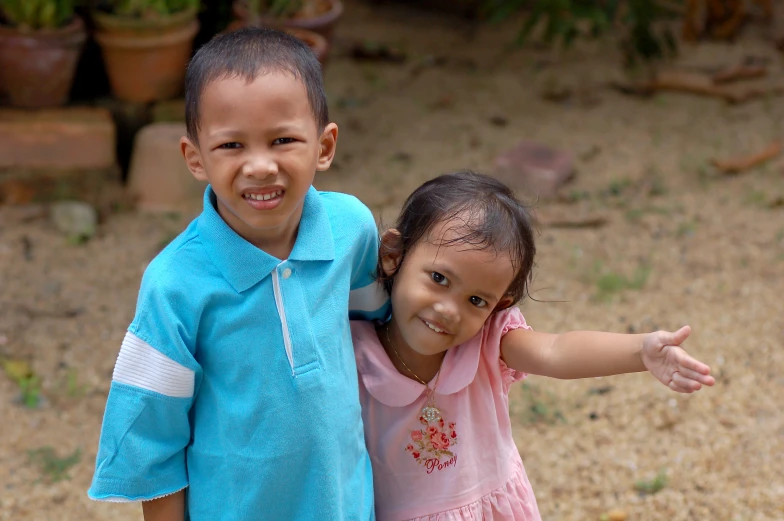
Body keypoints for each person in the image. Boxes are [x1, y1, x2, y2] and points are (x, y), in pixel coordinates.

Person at [88, 27, 387, 520]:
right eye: (231, 146)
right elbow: (151, 439)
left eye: (284, 139)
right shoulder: (174, 283)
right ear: (195, 158)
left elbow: (381, 332)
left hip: (346, 504)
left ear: (325, 145)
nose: (260, 166)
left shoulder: (352, 230)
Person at [350, 170, 715, 521]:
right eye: (439, 278)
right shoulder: (351, 357)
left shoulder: (488, 343)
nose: (449, 310)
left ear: (499, 306)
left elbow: (557, 351)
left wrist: (640, 350)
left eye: (476, 300)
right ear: (393, 255)